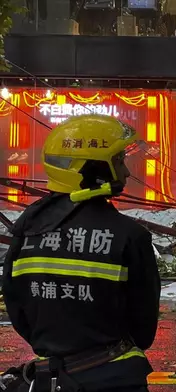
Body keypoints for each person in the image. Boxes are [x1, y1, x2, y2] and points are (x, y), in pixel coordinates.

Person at [1, 114, 161, 392]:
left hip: (52, 380)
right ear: (93, 168)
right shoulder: (130, 236)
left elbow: (18, 309)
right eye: (119, 162)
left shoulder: (26, 229)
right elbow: (143, 329)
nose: (126, 172)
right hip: (117, 379)